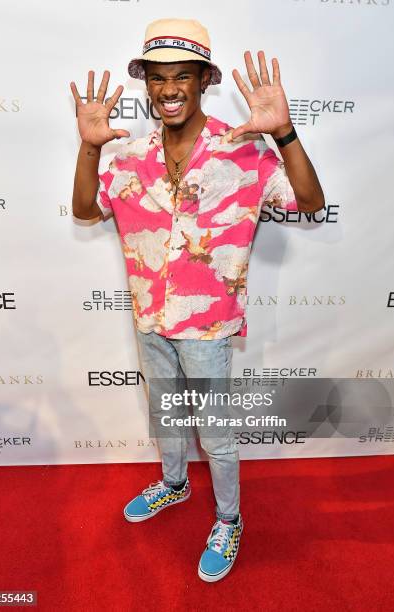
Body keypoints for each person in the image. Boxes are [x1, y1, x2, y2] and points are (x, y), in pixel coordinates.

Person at [70, 18, 324, 582]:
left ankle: (229, 519)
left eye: (182, 76)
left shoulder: (242, 152)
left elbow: (309, 202)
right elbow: (86, 211)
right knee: (167, 417)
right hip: (149, 318)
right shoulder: (130, 155)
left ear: (204, 80)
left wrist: (283, 133)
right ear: (148, 85)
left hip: (207, 329)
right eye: (158, 79)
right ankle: (174, 483)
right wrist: (89, 147)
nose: (169, 90)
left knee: (215, 433)